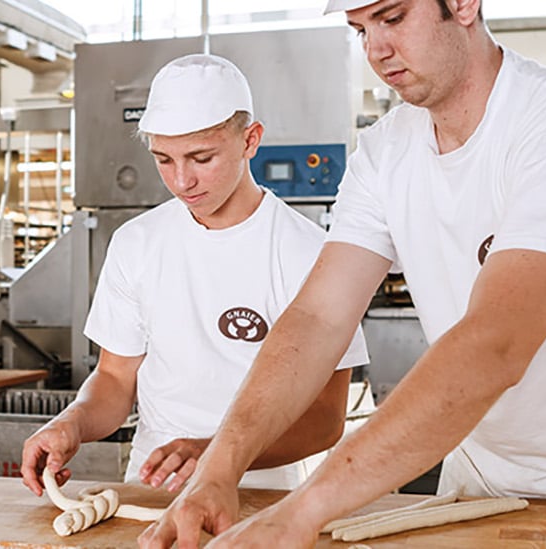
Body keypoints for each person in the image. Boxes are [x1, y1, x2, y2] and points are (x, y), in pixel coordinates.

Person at [139, 0, 546, 546]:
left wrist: (304, 511)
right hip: (483, 482)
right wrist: (220, 467)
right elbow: (317, 316)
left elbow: (496, 344)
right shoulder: (385, 153)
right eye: (361, 29)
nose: (377, 50)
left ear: (463, 4)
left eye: (392, 17)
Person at [18, 54, 369, 496]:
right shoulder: (137, 243)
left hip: (260, 495)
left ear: (250, 140)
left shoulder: (308, 252)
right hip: (152, 492)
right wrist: (71, 423)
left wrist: (220, 452)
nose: (182, 181)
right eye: (164, 159)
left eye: (202, 158)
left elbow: (325, 419)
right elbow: (114, 380)